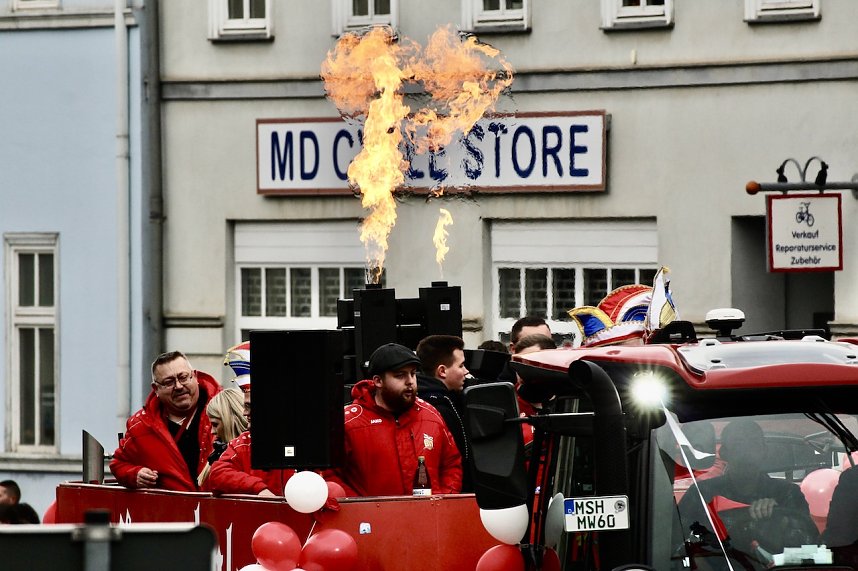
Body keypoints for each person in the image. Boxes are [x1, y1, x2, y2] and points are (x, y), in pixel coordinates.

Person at [324, 342, 463, 497]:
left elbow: (452, 464)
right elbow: (328, 475)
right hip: (372, 519)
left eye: (413, 373)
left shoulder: (431, 415)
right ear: (378, 381)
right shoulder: (348, 422)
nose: (410, 381)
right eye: (400, 375)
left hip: (429, 517)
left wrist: (443, 500)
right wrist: (359, 509)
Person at [678, 419, 817, 555]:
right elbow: (674, 542)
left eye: (753, 444)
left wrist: (781, 519)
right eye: (738, 444)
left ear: (764, 451)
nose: (746, 452)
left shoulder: (787, 493)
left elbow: (810, 548)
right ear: (724, 452)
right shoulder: (702, 494)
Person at [110, 351, 222, 491]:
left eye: (183, 377)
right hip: (170, 510)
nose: (179, 386)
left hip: (220, 508)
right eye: (169, 382)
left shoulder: (227, 411)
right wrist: (135, 475)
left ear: (195, 376)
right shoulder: (140, 426)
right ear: (156, 388)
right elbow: (119, 464)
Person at [208, 342, 294, 496]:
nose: (244, 413)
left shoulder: (307, 442)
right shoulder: (242, 444)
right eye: (244, 406)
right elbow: (217, 474)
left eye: (249, 406)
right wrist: (259, 489)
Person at [416, 335, 472, 492]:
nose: (466, 372)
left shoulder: (449, 401)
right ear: (442, 371)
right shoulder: (438, 409)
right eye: (461, 366)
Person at [197, 387, 248, 487]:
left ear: (231, 421)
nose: (212, 432)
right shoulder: (217, 453)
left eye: (215, 424)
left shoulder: (248, 456)